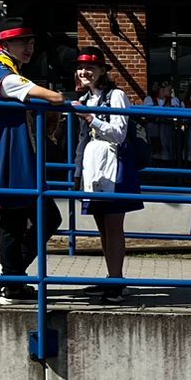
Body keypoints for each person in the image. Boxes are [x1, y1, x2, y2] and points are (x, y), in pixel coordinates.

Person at [0, 23, 66, 301]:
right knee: (17, 223)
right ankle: (12, 283)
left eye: (30, 42)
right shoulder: (4, 76)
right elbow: (55, 96)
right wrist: (58, 103)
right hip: (11, 162)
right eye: (21, 43)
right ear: (5, 47)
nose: (28, 48)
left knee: (31, 219)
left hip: (10, 160)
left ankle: (10, 274)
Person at [69, 51, 142, 302]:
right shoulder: (87, 98)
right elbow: (81, 139)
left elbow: (119, 133)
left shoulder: (116, 96)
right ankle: (112, 277)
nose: (83, 72)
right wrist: (77, 173)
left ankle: (116, 280)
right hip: (93, 164)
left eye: (90, 67)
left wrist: (91, 118)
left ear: (102, 70)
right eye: (80, 67)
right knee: (102, 225)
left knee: (113, 225)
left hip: (113, 162)